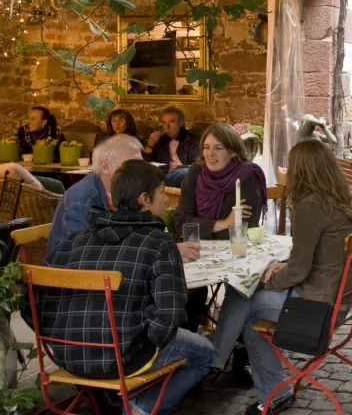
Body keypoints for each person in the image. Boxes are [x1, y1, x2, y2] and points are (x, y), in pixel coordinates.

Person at [37, 160, 214, 415]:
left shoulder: (76, 239)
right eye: (162, 193)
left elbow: (32, 298)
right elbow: (171, 315)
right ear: (145, 198)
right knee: (205, 353)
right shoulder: (159, 243)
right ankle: (140, 408)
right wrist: (144, 344)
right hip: (125, 359)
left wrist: (60, 337)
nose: (166, 201)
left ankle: (132, 398)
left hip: (66, 355)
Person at [209, 139, 352, 415]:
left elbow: (299, 271)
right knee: (246, 292)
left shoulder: (310, 206)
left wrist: (267, 280)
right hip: (340, 298)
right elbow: (316, 256)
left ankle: (259, 385)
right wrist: (284, 265)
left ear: (301, 170)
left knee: (246, 302)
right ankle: (220, 355)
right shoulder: (335, 200)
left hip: (321, 308)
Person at [46, 135, 150, 254]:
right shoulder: (81, 201)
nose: (140, 173)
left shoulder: (126, 191)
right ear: (105, 167)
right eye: (131, 166)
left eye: (141, 165)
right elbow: (80, 256)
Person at [175, 122, 266, 240]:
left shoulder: (248, 175)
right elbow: (180, 224)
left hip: (236, 249)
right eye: (206, 147)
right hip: (198, 248)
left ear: (233, 151)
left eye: (218, 148)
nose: (210, 154)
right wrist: (225, 223)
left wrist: (200, 229)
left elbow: (243, 230)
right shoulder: (196, 171)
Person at [144, 106, 201, 187]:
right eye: (164, 123)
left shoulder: (192, 140)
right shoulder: (161, 140)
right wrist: (150, 144)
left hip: (182, 176)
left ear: (181, 123)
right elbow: (146, 163)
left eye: (172, 122)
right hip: (163, 174)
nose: (167, 127)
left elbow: (196, 166)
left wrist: (176, 168)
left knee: (185, 172)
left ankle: (157, 185)